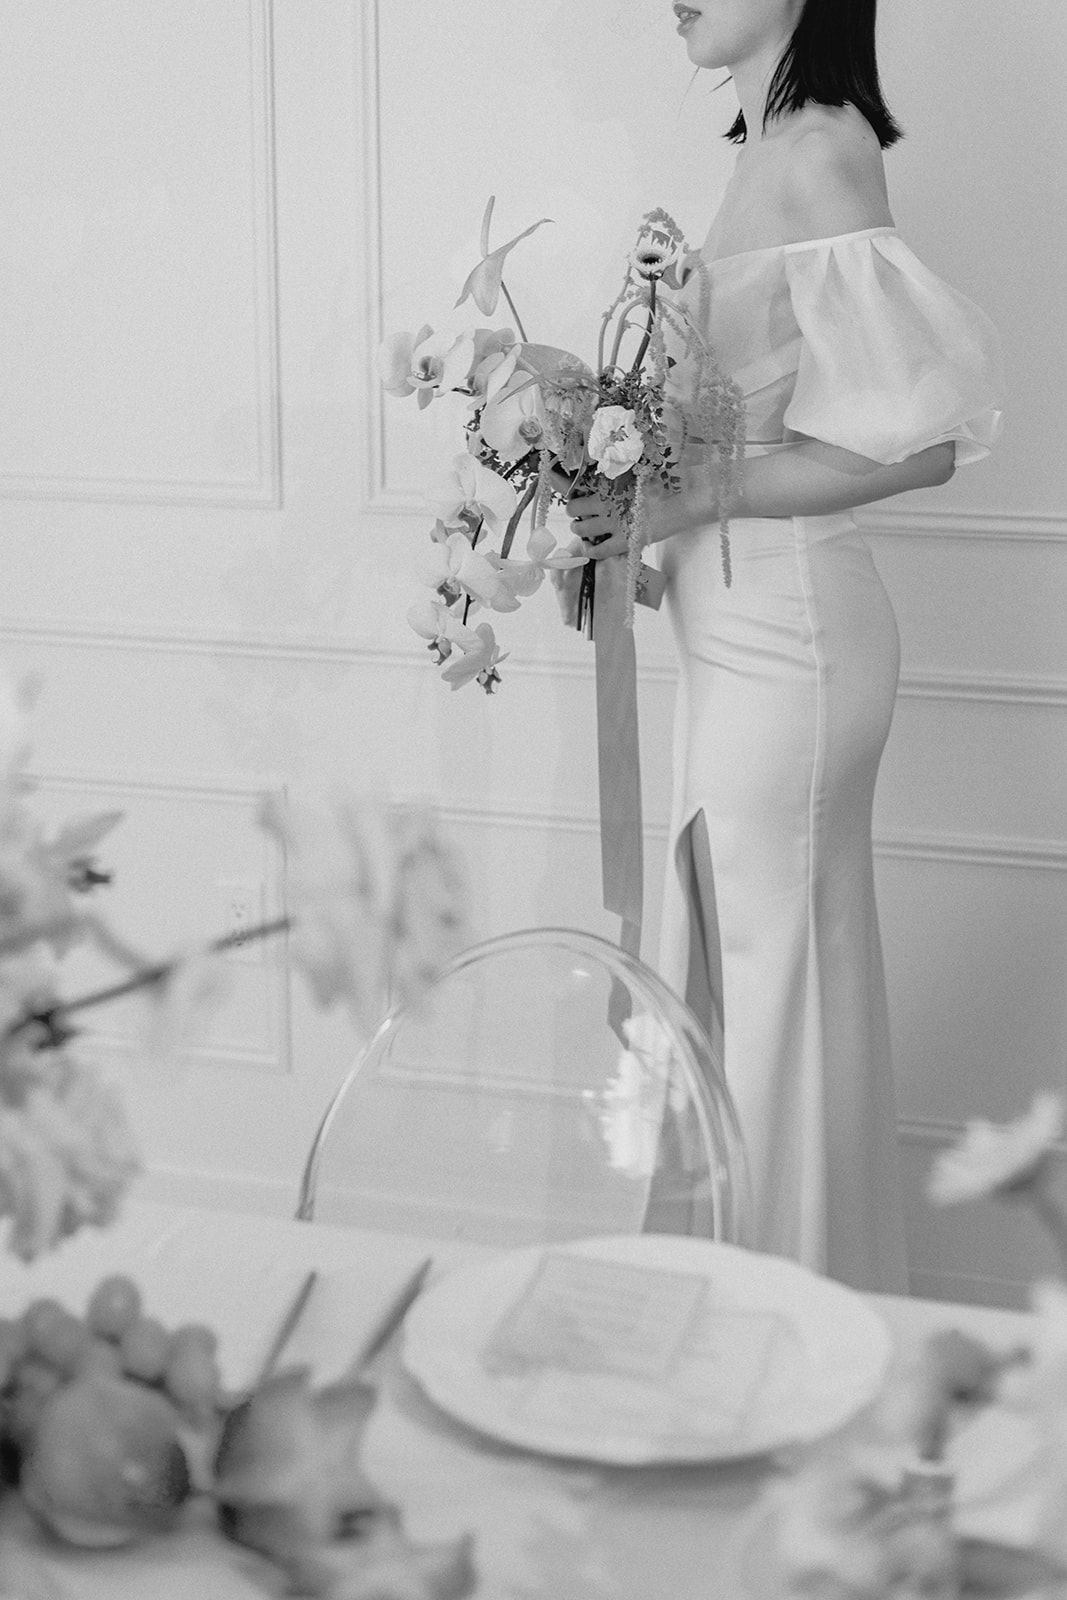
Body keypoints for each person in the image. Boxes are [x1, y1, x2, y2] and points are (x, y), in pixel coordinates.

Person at [567, 0, 1002, 1291]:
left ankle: (782, 1339)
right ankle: (758, 1319)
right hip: (742, 635)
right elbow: (742, 429)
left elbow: (919, 444)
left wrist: (699, 501)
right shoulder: (764, 149)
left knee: (767, 1002)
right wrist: (645, 528)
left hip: (796, 646)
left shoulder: (821, 148)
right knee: (742, 987)